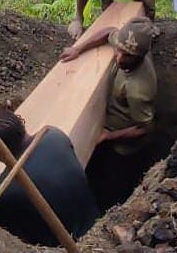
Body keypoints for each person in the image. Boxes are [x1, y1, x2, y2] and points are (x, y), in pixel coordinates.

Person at [60, 16, 157, 207]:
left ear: (140, 56)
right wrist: (77, 49)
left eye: (127, 56)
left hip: (124, 148)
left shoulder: (138, 89)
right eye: (119, 50)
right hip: (109, 129)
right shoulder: (128, 44)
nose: (119, 57)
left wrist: (108, 136)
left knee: (114, 187)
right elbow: (109, 31)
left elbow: (145, 128)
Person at [0, 109, 100, 246]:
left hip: (65, 247)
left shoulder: (5, 190)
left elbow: (6, 233)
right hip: (94, 222)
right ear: (21, 125)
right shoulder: (54, 135)